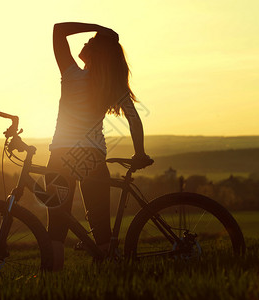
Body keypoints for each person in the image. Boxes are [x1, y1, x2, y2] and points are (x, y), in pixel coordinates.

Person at [46, 22, 152, 270]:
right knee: (100, 225)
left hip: (61, 154)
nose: (84, 43)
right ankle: (111, 274)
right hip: (91, 156)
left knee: (56, 228)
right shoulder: (111, 86)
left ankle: (52, 281)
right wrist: (139, 152)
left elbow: (58, 29)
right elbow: (134, 119)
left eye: (90, 42)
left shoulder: (71, 74)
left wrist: (99, 27)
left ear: (95, 53)